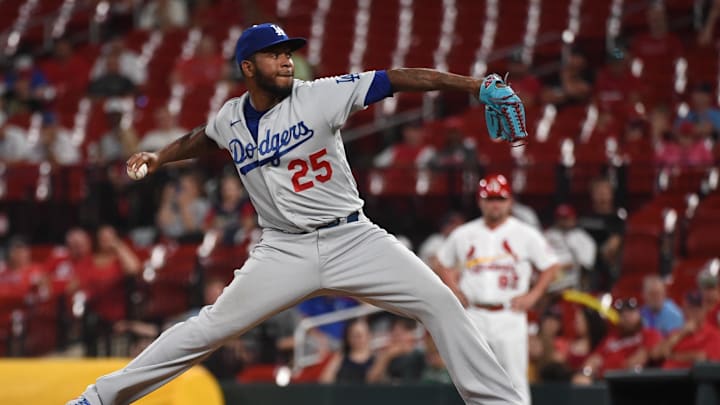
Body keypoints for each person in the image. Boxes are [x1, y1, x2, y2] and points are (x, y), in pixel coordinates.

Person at [67, 23, 523, 405]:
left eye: (288, 53)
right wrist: (160, 156)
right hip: (283, 249)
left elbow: (400, 77)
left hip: (353, 238)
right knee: (208, 328)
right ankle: (98, 399)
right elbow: (205, 138)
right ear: (248, 67)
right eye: (274, 55)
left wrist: (473, 86)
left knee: (440, 302)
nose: (287, 60)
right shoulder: (230, 117)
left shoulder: (320, 95)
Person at [434, 173, 561, 405]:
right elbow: (441, 261)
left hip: (509, 314)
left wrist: (534, 295)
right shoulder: (464, 233)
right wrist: (453, 288)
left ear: (510, 201)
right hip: (474, 313)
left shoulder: (524, 233)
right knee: (473, 380)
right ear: (480, 201)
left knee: (514, 380)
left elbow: (551, 265)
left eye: (500, 199)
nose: (495, 204)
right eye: (490, 198)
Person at [572, 298, 662, 384]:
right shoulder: (612, 337)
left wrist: (610, 367)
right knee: (580, 380)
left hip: (631, 382)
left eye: (630, 313)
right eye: (622, 314)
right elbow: (594, 359)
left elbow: (638, 361)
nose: (626, 317)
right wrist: (586, 373)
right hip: (605, 382)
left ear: (639, 314)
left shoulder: (649, 334)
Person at [577, 177, 625, 291]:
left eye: (605, 191)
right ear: (592, 195)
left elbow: (614, 244)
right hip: (582, 262)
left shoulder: (616, 220)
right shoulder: (584, 217)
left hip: (604, 262)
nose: (602, 195)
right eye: (598, 191)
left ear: (611, 194)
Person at [658, 290, 720, 369]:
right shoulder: (676, 332)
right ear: (684, 310)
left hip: (694, 378)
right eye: (690, 308)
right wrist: (681, 334)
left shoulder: (713, 334)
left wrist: (672, 356)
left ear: (705, 310)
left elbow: (701, 357)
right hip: (668, 376)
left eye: (698, 308)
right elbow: (660, 354)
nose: (694, 312)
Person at [544, 204, 597, 292]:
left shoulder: (582, 237)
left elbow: (585, 267)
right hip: (548, 277)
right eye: (561, 218)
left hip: (570, 280)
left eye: (567, 218)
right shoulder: (548, 235)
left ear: (573, 218)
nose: (564, 221)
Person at [366, 317, 425, 383]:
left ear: (411, 334)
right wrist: (386, 356)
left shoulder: (420, 355)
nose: (397, 339)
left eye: (400, 334)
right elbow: (371, 379)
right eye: (395, 334)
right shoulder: (387, 355)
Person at [319, 317, 375, 383]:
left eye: (359, 335)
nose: (356, 339)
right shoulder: (340, 358)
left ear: (369, 335)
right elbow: (324, 381)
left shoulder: (376, 359)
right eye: (352, 335)